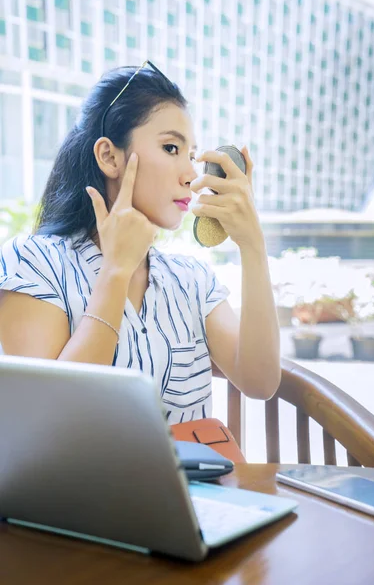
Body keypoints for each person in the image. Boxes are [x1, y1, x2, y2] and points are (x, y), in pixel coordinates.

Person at [0, 62, 280, 425]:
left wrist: (252, 245)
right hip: (81, 484)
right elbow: (52, 419)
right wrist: (115, 272)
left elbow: (259, 381)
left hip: (191, 484)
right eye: (170, 148)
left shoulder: (192, 280)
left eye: (192, 155)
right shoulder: (32, 264)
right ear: (109, 156)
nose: (190, 174)